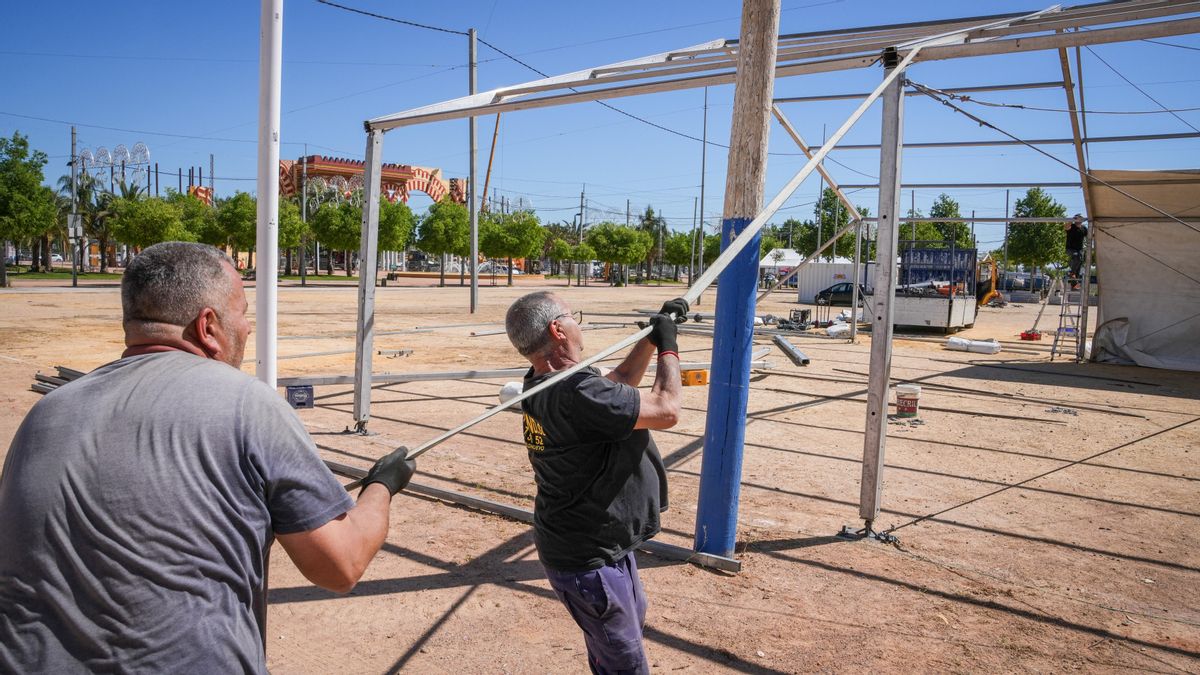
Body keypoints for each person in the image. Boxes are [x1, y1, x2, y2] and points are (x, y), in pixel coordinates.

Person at [0, 242, 415, 673]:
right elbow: (340, 565)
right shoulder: (245, 403)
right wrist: (382, 485)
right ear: (208, 326)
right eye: (241, 310)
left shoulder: (47, 412)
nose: (248, 326)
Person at [504, 291, 686, 675]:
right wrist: (670, 348)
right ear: (557, 329)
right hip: (587, 556)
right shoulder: (577, 392)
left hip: (600, 545)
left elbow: (619, 381)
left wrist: (651, 338)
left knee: (623, 638)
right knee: (626, 666)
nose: (577, 323)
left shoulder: (547, 382)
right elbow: (666, 409)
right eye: (573, 316)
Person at [1065, 214, 1088, 289]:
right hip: (1070, 249)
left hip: (1079, 250)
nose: (1079, 221)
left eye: (1080, 220)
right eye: (1077, 220)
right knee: (1077, 257)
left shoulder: (1084, 228)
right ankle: (1072, 273)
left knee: (1080, 263)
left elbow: (1090, 236)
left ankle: (1074, 284)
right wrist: (1072, 220)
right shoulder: (1072, 227)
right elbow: (1066, 227)